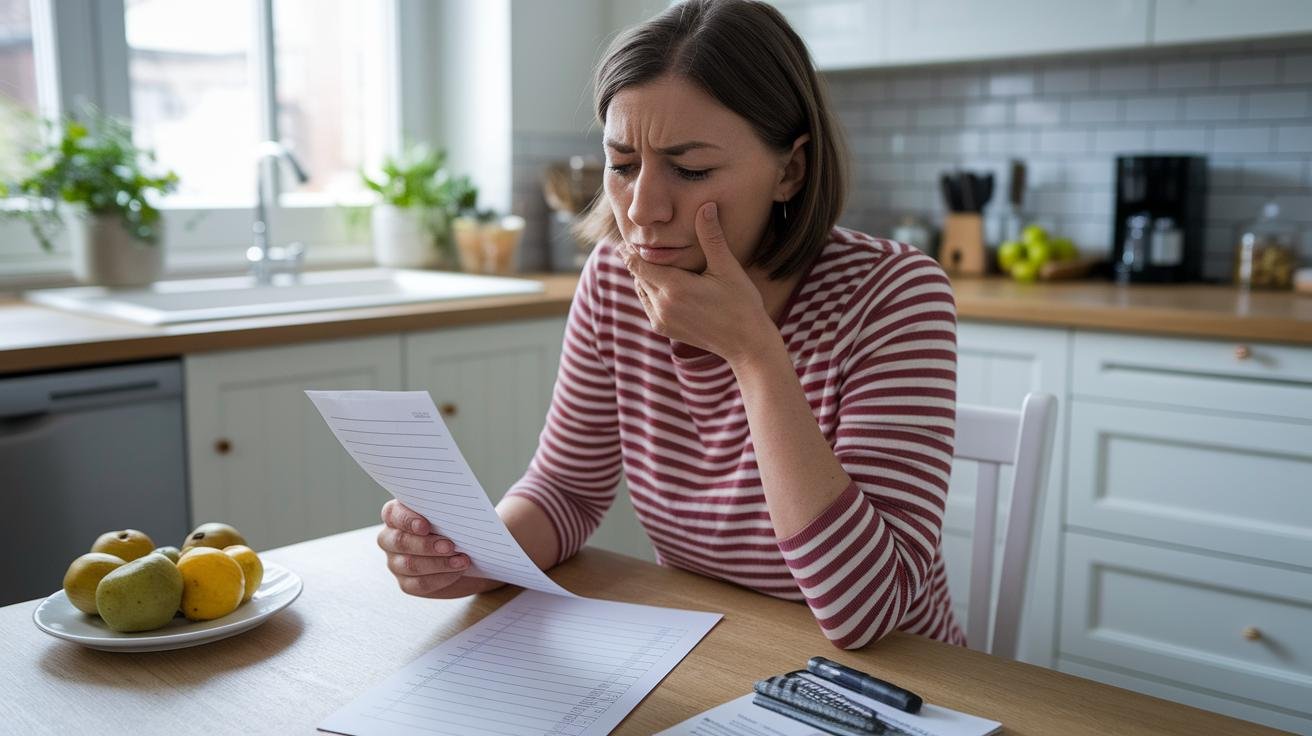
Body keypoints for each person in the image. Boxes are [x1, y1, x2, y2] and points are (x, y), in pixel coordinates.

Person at [377, 0, 964, 649]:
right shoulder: (614, 280)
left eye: (690, 170)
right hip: (711, 649)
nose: (643, 209)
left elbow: (867, 610)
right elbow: (566, 491)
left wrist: (755, 354)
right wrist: (471, 557)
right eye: (623, 165)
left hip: (897, 673)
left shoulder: (895, 294)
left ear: (790, 171)